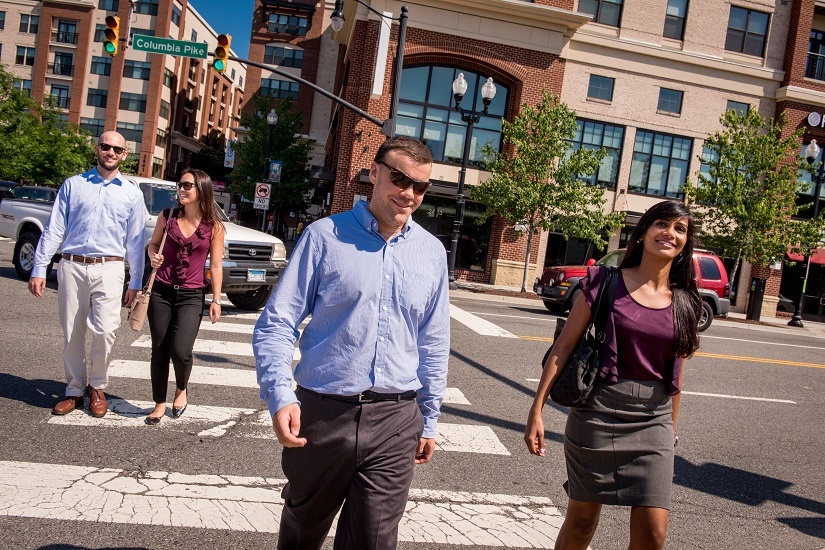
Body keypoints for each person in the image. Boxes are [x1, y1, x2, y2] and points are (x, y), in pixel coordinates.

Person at [253, 136, 450, 549]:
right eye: (399, 178)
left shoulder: (431, 252)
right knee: (302, 533)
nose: (409, 193)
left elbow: (433, 341)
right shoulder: (324, 236)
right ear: (374, 173)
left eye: (421, 186)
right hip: (323, 414)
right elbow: (277, 322)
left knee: (374, 543)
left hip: (396, 420)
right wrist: (280, 395)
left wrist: (429, 416)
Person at [525, 200, 702, 550]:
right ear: (643, 232)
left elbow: (676, 376)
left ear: (686, 243)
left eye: (679, 229)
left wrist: (672, 433)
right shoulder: (606, 282)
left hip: (654, 422)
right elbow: (562, 347)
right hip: (597, 414)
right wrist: (536, 411)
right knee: (581, 521)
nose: (670, 233)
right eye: (662, 224)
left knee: (654, 533)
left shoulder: (685, 302)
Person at [29, 132, 145, 417]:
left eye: (117, 149)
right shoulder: (74, 185)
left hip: (110, 267)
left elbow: (136, 242)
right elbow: (54, 229)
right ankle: (74, 389)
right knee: (72, 331)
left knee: (106, 331)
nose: (111, 152)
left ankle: (97, 385)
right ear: (97, 149)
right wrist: (39, 267)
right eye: (106, 146)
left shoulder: (132, 193)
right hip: (72, 264)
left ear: (124, 155)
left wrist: (137, 281)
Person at [144, 168, 225, 425]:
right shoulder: (167, 216)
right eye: (180, 185)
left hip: (191, 295)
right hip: (161, 291)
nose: (181, 189)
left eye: (187, 185)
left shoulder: (214, 227)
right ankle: (159, 403)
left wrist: (216, 299)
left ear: (201, 189)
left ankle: (181, 388)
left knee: (180, 351)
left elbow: (216, 266)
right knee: (160, 349)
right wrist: (152, 256)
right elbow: (153, 244)